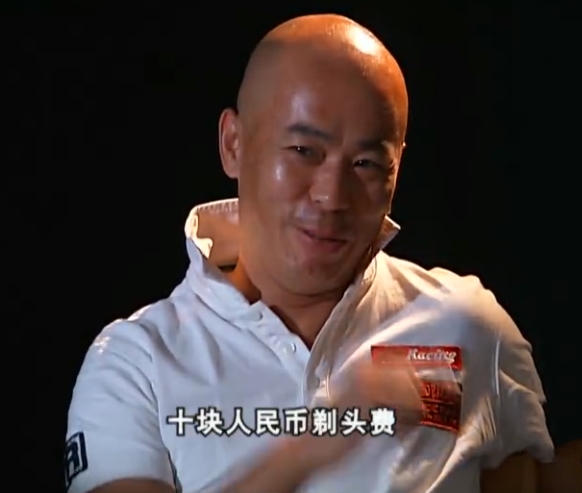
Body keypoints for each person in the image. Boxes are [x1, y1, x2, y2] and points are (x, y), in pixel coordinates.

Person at [64, 14, 553, 493]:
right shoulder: (137, 364)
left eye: (366, 163)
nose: (332, 196)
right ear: (233, 144)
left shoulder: (465, 324)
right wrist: (321, 440)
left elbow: (530, 481)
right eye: (303, 151)